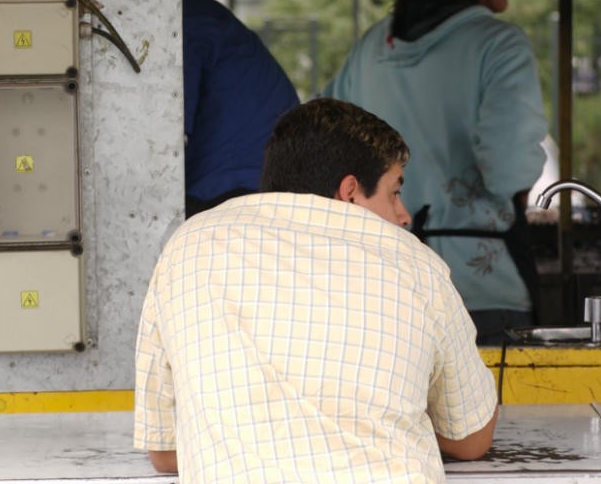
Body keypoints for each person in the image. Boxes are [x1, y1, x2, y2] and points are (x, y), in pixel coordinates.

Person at [133, 98, 498, 482]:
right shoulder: (414, 263)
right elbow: (470, 438)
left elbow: (165, 450)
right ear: (350, 191)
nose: (404, 215)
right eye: (394, 193)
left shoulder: (189, 246)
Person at [324, 0, 548, 344]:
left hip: (382, 283)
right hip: (482, 288)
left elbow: (323, 138)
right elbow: (509, 171)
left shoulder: (371, 47)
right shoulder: (500, 46)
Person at [182, 0, 299, 216]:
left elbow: (168, 131)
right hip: (267, 176)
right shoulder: (206, 16)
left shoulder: (186, 22)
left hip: (234, 182)